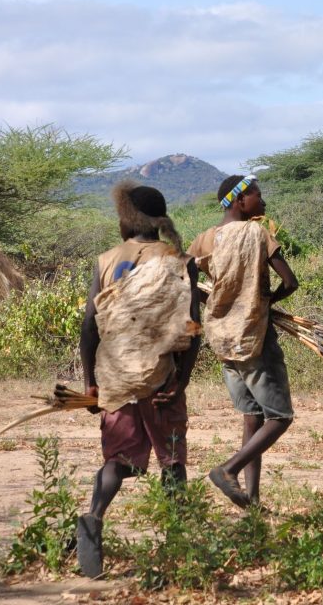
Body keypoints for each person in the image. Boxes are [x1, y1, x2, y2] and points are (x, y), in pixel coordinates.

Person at [76, 181, 201, 578]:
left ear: (126, 219)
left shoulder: (106, 260)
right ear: (159, 219)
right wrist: (181, 381)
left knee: (118, 460)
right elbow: (190, 327)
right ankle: (178, 542)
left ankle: (92, 519)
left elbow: (89, 328)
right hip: (161, 376)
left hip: (117, 377)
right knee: (172, 462)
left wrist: (89, 382)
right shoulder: (178, 260)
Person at [188, 174, 298, 508]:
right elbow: (290, 282)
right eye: (258, 196)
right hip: (254, 337)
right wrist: (263, 303)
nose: (263, 203)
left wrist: (222, 303)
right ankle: (228, 469)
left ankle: (251, 500)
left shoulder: (205, 239)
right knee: (280, 417)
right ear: (240, 201)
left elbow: (187, 282)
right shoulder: (257, 233)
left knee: (252, 417)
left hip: (222, 341)